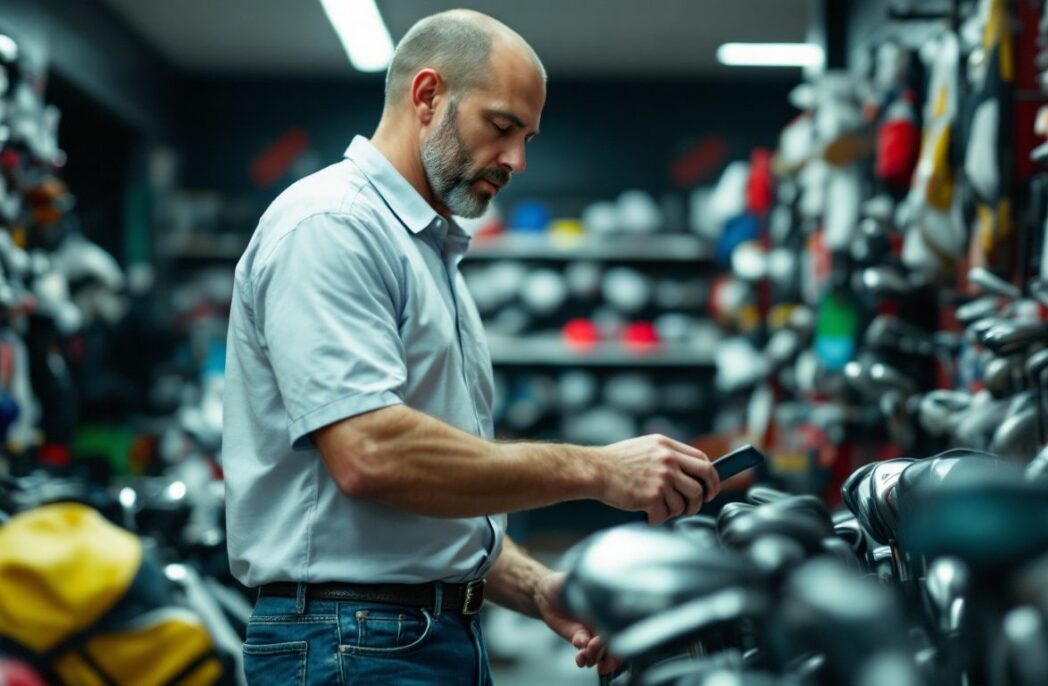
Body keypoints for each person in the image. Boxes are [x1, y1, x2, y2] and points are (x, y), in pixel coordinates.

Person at [221, 9, 719, 685]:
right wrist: (598, 470)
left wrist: (539, 589)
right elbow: (371, 453)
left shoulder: (426, 252)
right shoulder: (332, 225)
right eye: (503, 126)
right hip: (348, 644)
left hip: (413, 636)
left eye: (528, 137)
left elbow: (419, 523)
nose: (517, 160)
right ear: (427, 97)